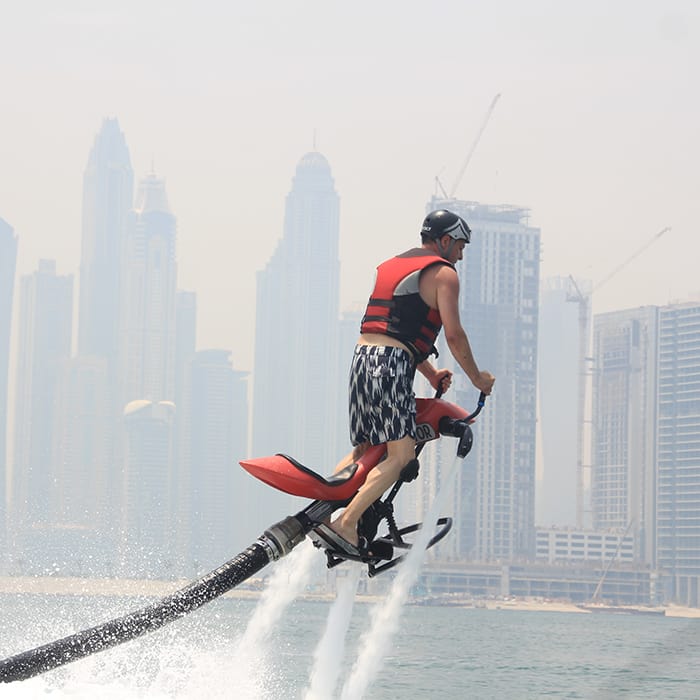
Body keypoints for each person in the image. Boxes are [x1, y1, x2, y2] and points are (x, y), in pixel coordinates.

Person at [316, 209, 495, 555]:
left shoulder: (391, 266)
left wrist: (430, 374)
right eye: (459, 245)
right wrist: (478, 379)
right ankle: (346, 523)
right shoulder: (445, 275)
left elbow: (393, 327)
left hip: (361, 360)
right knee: (401, 455)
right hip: (391, 364)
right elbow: (454, 337)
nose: (461, 254)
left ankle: (323, 514)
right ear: (445, 240)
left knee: (365, 451)